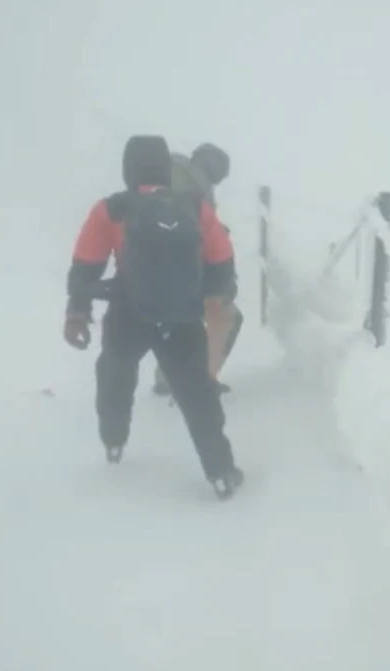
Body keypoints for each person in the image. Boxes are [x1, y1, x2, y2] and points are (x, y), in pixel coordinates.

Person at [62, 134, 245, 499]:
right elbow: (221, 263)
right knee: (198, 395)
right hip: (182, 318)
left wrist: (77, 312)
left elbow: (86, 265)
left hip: (128, 313)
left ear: (128, 169)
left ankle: (114, 441)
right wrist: (212, 298)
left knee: (115, 372)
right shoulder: (195, 206)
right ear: (165, 166)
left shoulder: (111, 209)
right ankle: (221, 472)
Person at [153, 142, 245, 397]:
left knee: (179, 321)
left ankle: (167, 379)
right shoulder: (196, 189)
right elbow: (203, 240)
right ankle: (200, 380)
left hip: (149, 273)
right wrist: (222, 282)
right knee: (226, 316)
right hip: (184, 274)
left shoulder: (165, 176)